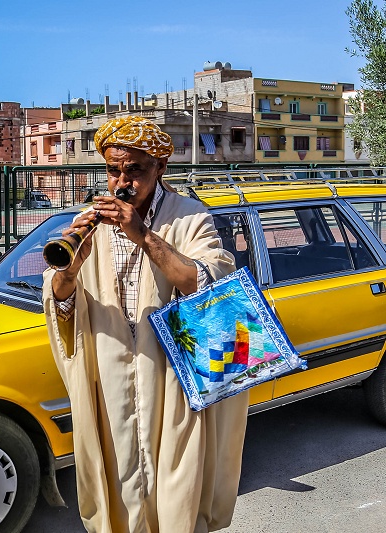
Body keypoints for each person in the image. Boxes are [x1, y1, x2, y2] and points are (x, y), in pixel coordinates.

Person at [42, 117, 249, 533]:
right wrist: (69, 270)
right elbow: (61, 305)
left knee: (177, 488)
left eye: (134, 170)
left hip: (174, 379)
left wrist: (144, 235)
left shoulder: (189, 217)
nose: (122, 181)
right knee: (116, 485)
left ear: (159, 168)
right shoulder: (92, 221)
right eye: (113, 170)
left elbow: (208, 283)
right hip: (111, 376)